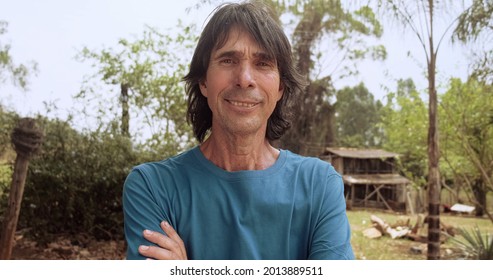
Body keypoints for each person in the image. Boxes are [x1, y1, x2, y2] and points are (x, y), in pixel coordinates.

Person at [123, 1, 354, 260]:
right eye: (228, 60)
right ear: (203, 82)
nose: (245, 78)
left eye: (263, 63)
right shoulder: (153, 187)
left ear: (280, 88)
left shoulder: (319, 185)